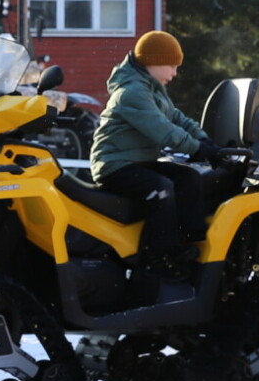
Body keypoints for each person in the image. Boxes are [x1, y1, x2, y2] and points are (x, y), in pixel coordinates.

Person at [89, 30, 221, 281]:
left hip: (138, 160)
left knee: (187, 178)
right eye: (171, 65)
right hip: (115, 165)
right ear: (153, 61)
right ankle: (156, 259)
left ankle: (190, 244)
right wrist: (197, 149)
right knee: (160, 189)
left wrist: (204, 139)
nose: (174, 73)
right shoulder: (132, 92)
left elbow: (175, 118)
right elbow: (162, 129)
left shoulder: (152, 87)